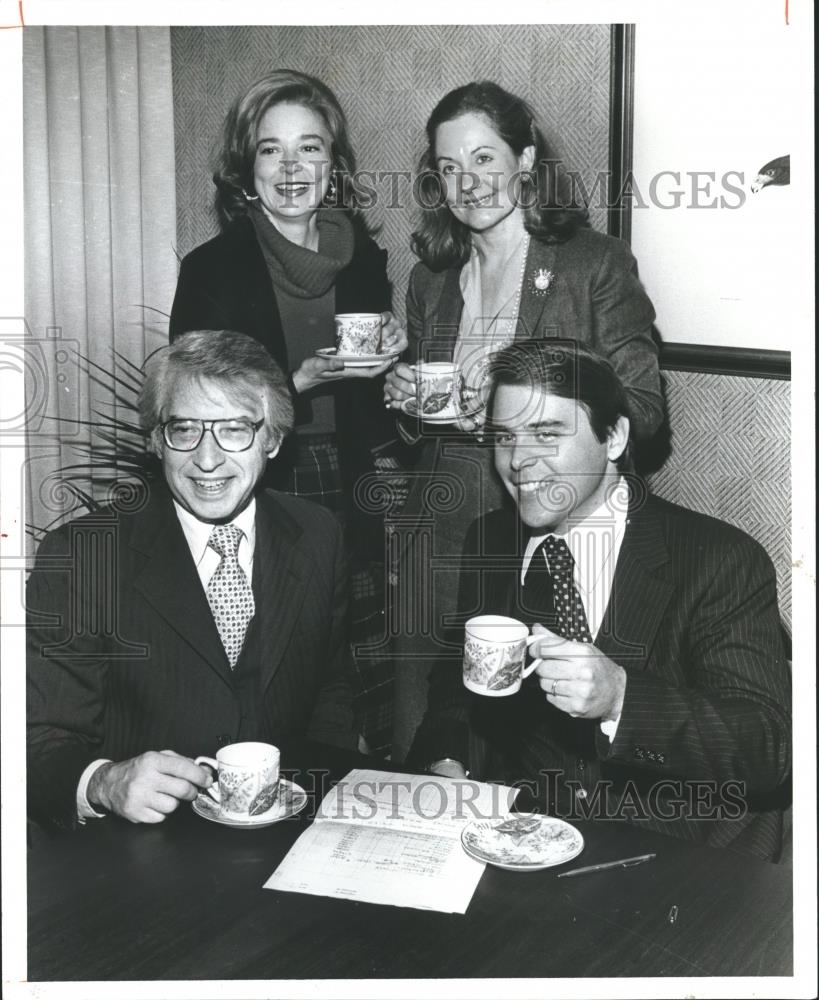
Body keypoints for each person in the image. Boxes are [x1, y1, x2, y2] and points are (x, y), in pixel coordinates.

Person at [408, 340, 791, 860]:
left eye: (546, 434)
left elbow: (765, 748)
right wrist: (449, 763)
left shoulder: (718, 558)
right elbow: (461, 683)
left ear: (613, 438)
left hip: (672, 860)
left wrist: (620, 699)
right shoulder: (491, 539)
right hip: (525, 842)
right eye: (505, 436)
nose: (518, 460)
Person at [382, 81, 663, 756]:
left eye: (484, 159)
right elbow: (418, 433)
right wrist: (403, 402)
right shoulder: (430, 278)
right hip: (442, 518)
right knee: (425, 718)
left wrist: (527, 380)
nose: (467, 182)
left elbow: (645, 414)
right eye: (448, 168)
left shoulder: (591, 264)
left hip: (552, 518)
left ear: (527, 160)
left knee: (536, 735)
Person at [27, 331, 358, 830]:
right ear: (155, 439)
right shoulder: (80, 555)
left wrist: (327, 811)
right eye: (184, 430)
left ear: (272, 439)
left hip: (288, 838)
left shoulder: (318, 535)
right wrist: (102, 783)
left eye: (234, 430)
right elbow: (38, 740)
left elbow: (331, 694)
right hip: (133, 855)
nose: (206, 459)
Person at [170, 70, 406, 752]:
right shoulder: (212, 268)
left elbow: (372, 370)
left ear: (333, 163)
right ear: (246, 166)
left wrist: (393, 340)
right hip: (267, 475)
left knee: (362, 650)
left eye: (309, 147)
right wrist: (293, 383)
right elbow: (196, 407)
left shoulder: (360, 254)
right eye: (272, 150)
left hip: (356, 473)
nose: (292, 166)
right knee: (276, 651)